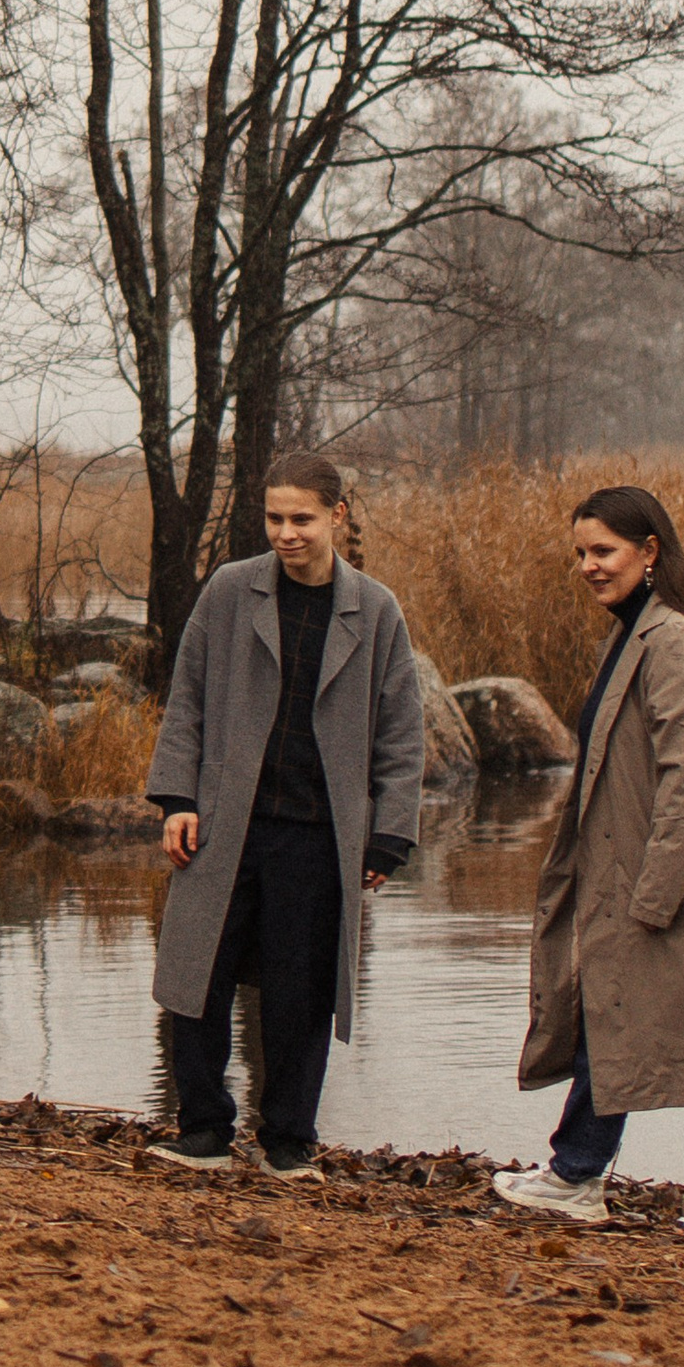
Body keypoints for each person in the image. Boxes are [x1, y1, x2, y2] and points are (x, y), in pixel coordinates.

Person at [492, 486, 684, 1240]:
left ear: (650, 551)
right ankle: (576, 1174)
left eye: (603, 551)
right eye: (581, 554)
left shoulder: (679, 643)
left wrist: (656, 893)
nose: (589, 567)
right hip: (642, 868)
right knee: (615, 1010)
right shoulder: (632, 637)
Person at [142, 454, 426, 1178]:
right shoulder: (231, 592)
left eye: (302, 518)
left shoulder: (376, 610)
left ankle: (289, 1140)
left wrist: (389, 834)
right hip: (223, 821)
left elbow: (400, 733)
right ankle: (203, 1128)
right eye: (275, 518)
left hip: (319, 830)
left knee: (299, 992)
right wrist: (176, 799)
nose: (287, 533)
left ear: (337, 516)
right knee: (195, 974)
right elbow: (188, 700)